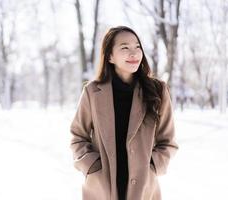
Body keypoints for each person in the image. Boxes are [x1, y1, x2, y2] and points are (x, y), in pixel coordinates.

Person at [70, 26, 178, 200]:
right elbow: (78, 136)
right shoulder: (92, 92)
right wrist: (92, 167)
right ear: (110, 56)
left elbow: (168, 141)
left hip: (143, 188)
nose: (134, 53)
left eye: (137, 47)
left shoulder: (157, 91)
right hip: (101, 187)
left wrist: (152, 167)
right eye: (125, 48)